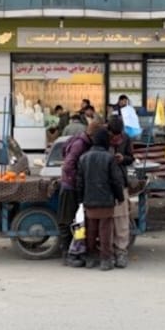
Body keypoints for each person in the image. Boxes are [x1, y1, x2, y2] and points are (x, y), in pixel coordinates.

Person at [76, 129, 125, 271]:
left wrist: (80, 200)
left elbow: (80, 182)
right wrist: (120, 197)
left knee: (91, 229)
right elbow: (116, 181)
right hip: (106, 200)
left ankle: (90, 259)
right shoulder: (109, 158)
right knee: (105, 230)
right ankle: (105, 260)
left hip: (89, 199)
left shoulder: (83, 158)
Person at [58, 121, 103, 267]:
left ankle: (75, 251)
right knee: (67, 220)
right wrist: (79, 179)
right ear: (93, 135)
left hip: (74, 186)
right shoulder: (80, 145)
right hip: (70, 187)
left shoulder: (84, 142)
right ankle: (66, 253)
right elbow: (68, 165)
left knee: (77, 222)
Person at [108, 115, 135, 268]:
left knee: (122, 219)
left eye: (119, 135)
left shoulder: (126, 138)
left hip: (121, 182)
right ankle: (109, 251)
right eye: (114, 134)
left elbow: (131, 157)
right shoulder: (103, 137)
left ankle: (121, 251)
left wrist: (123, 158)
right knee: (107, 220)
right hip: (106, 183)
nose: (117, 138)